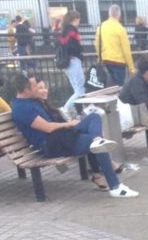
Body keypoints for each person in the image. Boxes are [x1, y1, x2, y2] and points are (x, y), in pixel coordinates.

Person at [8, 72, 138, 197]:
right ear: (25, 91)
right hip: (52, 144)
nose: (37, 88)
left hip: (61, 137)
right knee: (96, 145)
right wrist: (68, 124)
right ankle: (115, 187)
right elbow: (47, 128)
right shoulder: (22, 109)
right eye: (35, 87)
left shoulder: (30, 101)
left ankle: (98, 140)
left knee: (94, 117)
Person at [56, 10, 86, 118]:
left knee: (76, 88)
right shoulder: (73, 31)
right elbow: (75, 47)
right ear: (75, 19)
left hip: (66, 63)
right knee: (80, 90)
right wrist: (81, 49)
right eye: (78, 19)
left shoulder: (63, 31)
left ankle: (78, 111)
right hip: (74, 61)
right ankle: (67, 109)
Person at [96, 5, 134, 87]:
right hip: (119, 62)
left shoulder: (101, 27)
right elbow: (126, 49)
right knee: (119, 88)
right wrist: (131, 68)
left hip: (105, 60)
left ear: (109, 14)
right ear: (119, 14)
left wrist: (99, 58)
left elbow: (97, 44)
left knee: (108, 88)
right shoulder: (120, 29)